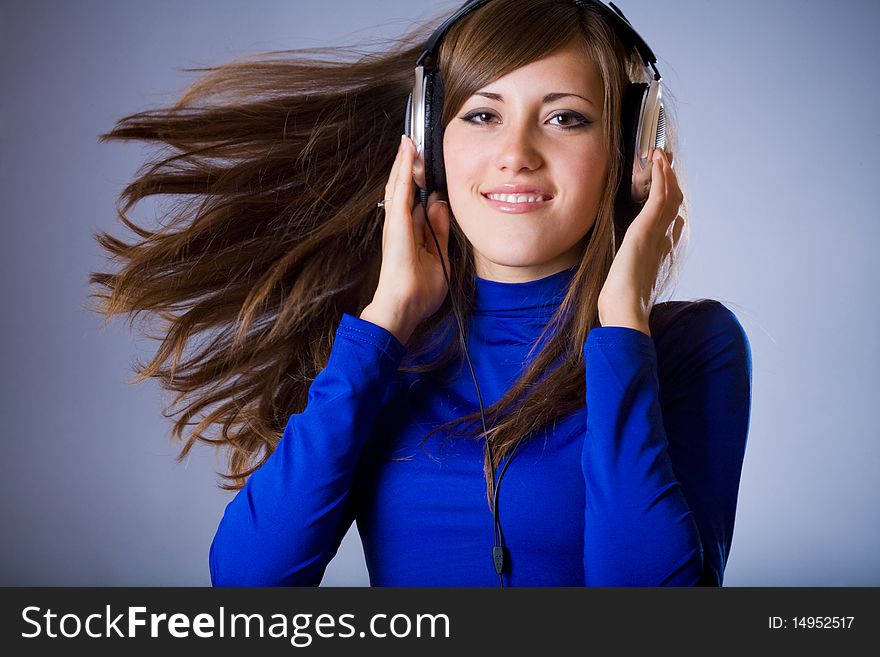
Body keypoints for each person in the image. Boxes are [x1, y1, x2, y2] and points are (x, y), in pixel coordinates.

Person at [89, 0, 752, 587]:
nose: (515, 152)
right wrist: (387, 317)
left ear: (634, 151)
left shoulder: (686, 347)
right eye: (483, 113)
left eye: (565, 118)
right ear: (430, 142)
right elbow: (250, 584)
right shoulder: (385, 353)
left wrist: (621, 322)